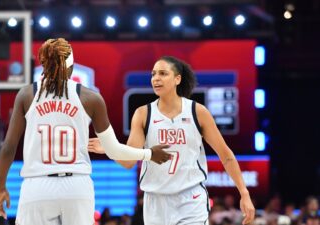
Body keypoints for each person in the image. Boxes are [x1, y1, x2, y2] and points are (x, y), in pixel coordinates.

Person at [0, 38, 171, 225]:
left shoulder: (26, 95)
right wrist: (149, 153)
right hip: (76, 186)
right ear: (71, 67)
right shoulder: (91, 98)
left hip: (37, 185)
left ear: (44, 64)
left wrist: (0, 188)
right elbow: (115, 150)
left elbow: (8, 148)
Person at [88, 56, 256, 225]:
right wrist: (110, 148)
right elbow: (129, 161)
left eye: (163, 73)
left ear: (177, 79)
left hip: (191, 198)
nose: (156, 78)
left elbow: (226, 155)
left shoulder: (197, 112)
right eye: (153, 74)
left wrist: (244, 193)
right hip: (156, 201)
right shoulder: (143, 113)